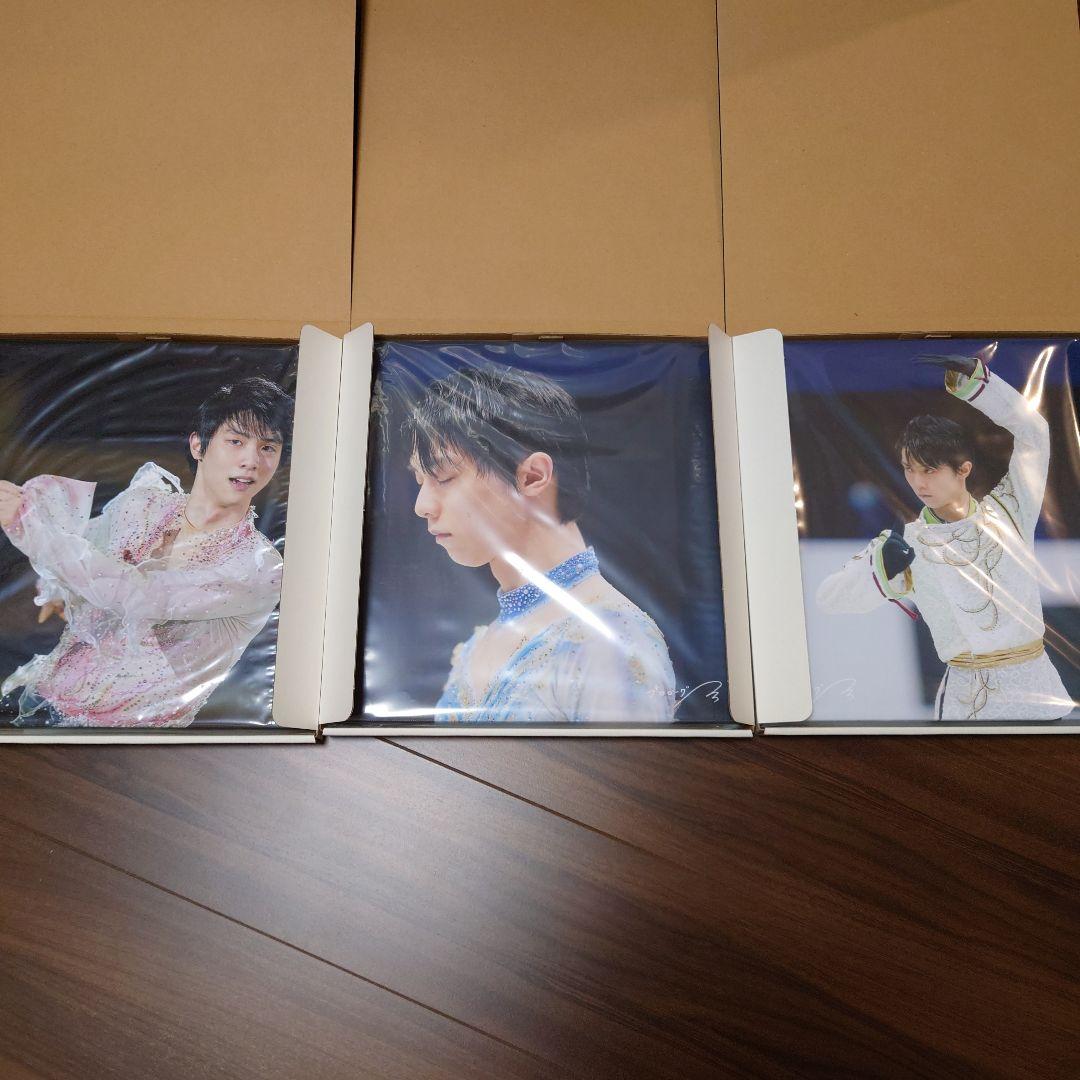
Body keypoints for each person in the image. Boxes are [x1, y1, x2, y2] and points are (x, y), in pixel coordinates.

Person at [0, 376, 294, 728]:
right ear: (198, 445)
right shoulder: (143, 505)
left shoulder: (259, 567)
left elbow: (139, 595)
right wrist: (56, 588)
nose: (251, 461)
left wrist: (25, 524)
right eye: (236, 441)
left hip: (130, 739)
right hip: (43, 696)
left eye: (268, 448)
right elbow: (84, 543)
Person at [403, 363, 676, 724]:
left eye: (444, 476)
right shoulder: (475, 648)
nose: (422, 505)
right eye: (420, 480)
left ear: (532, 477)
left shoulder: (611, 641)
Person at [816, 353, 1073, 721]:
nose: (918, 482)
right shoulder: (906, 544)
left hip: (1035, 687)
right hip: (967, 701)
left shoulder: (1010, 510)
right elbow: (829, 599)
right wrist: (878, 569)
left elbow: (1034, 433)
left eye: (930, 470)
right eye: (909, 469)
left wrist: (982, 386)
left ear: (963, 469)